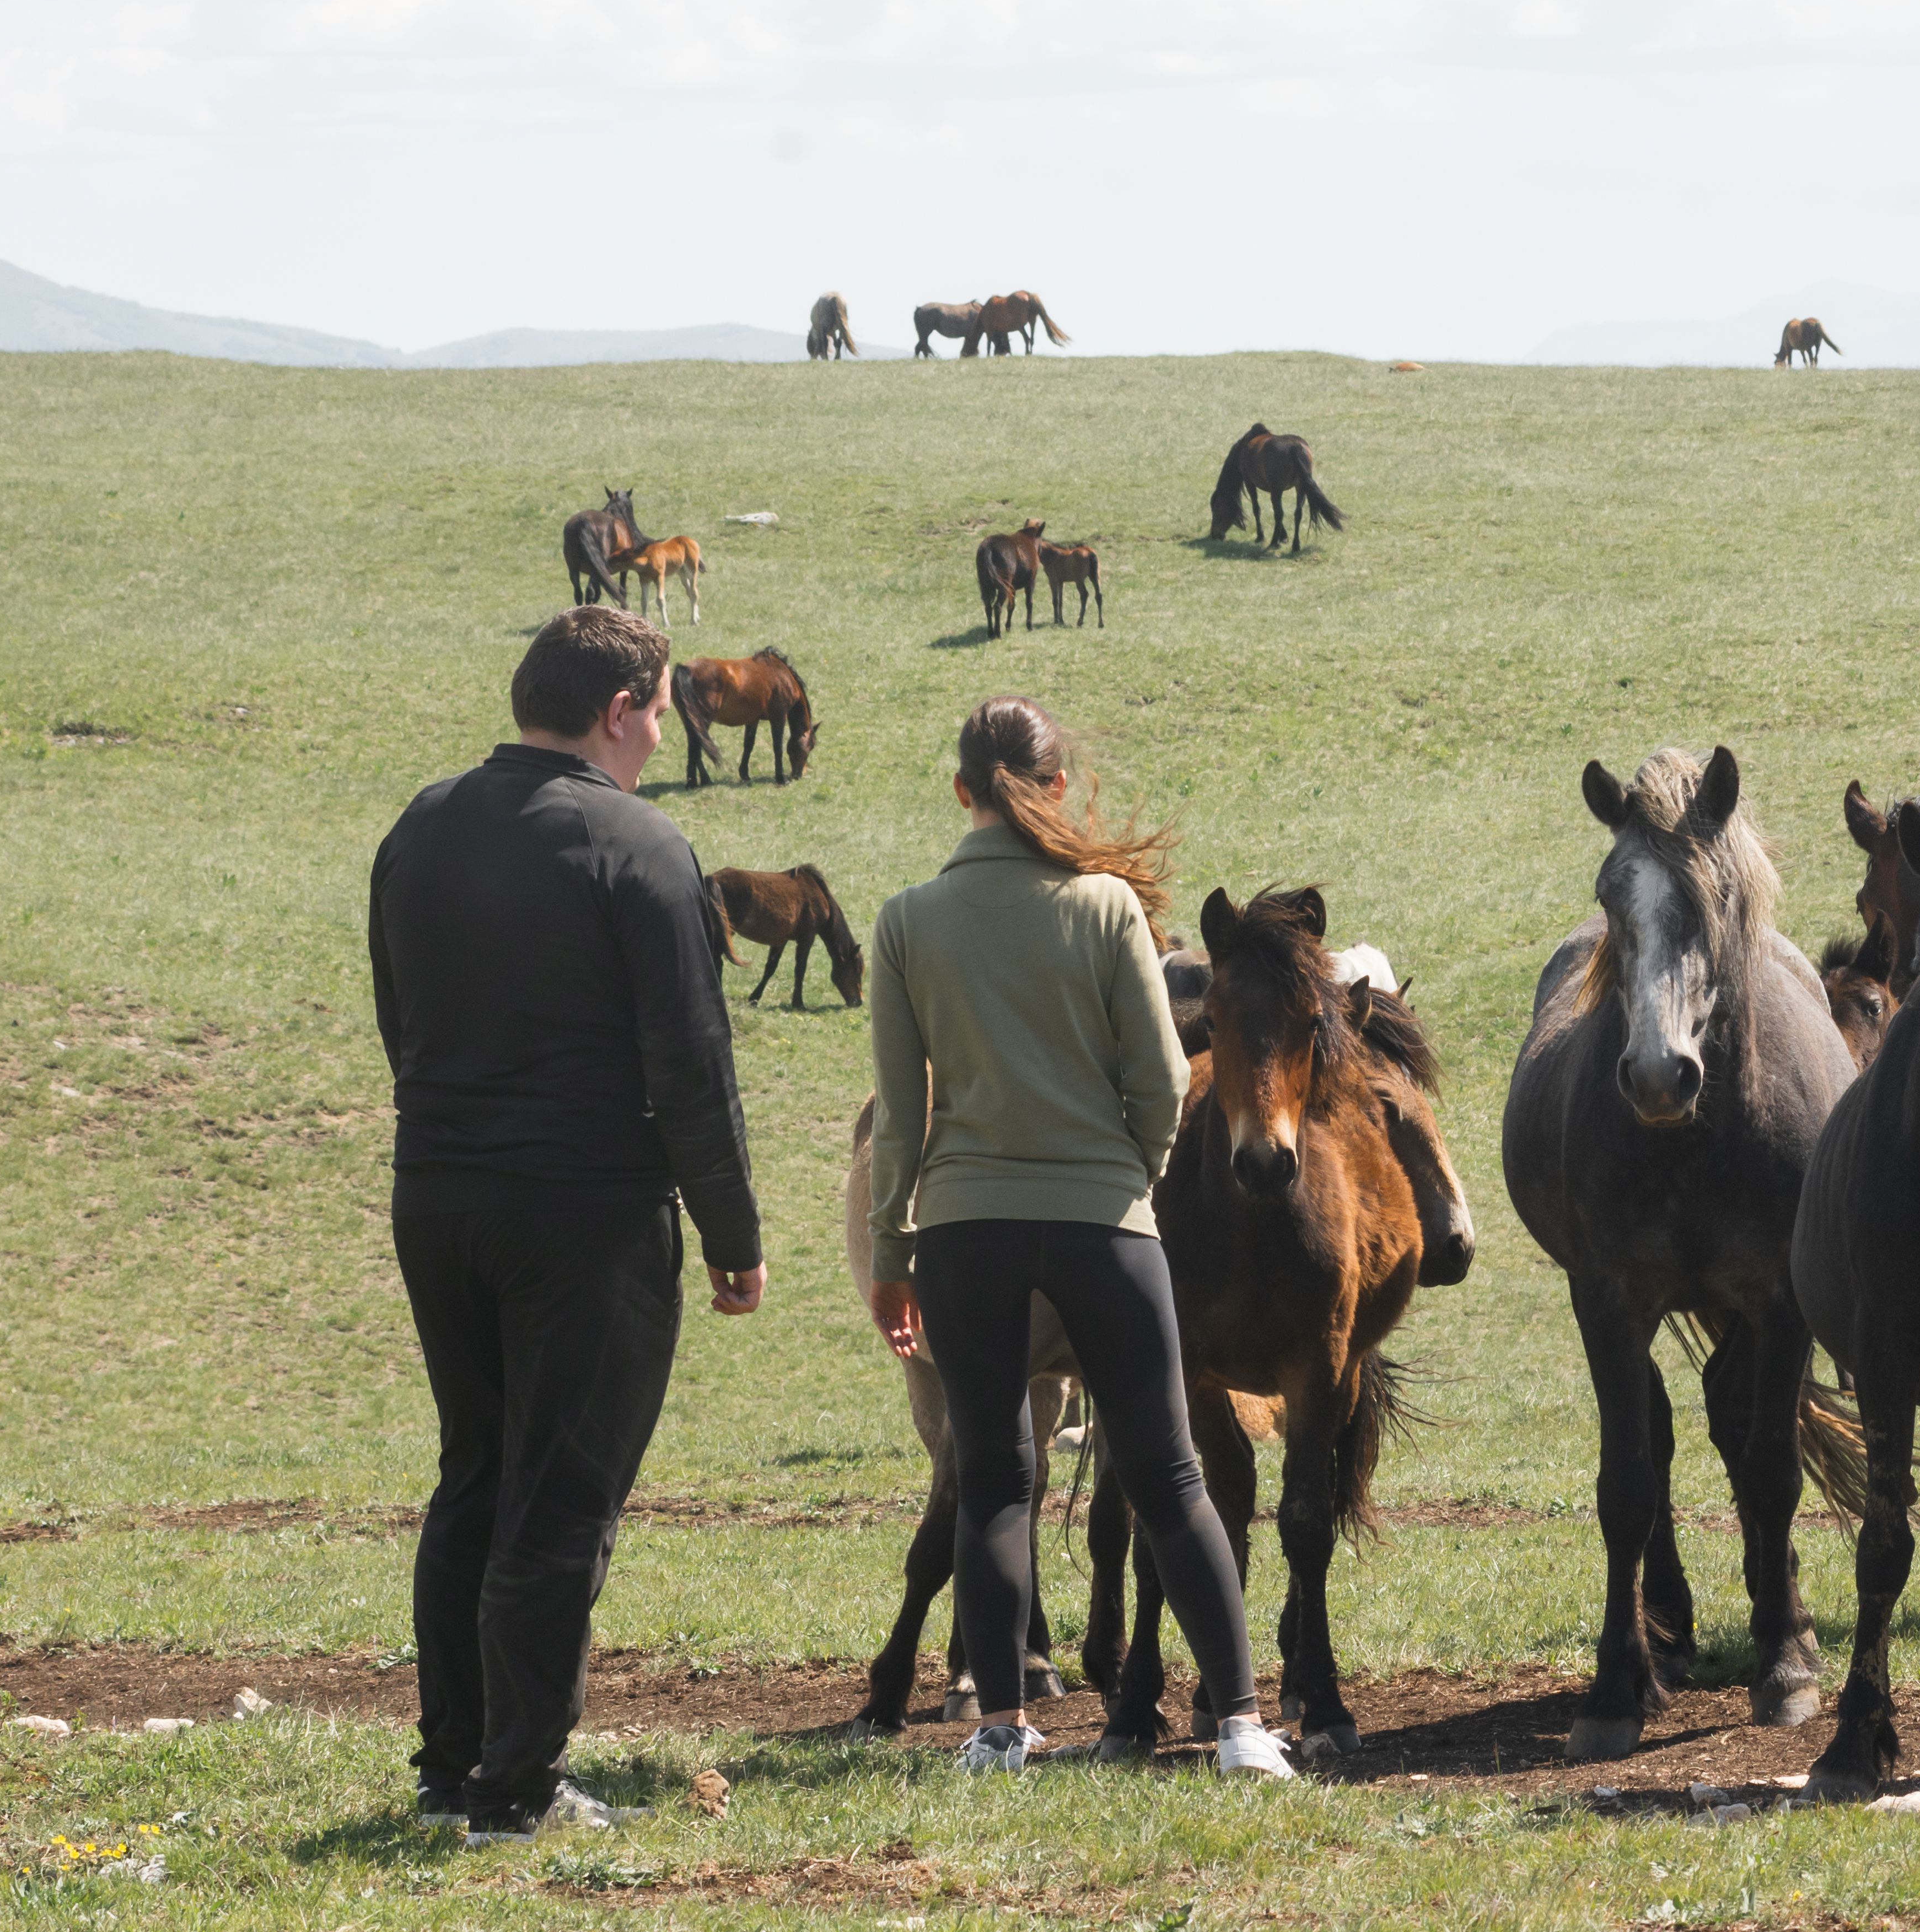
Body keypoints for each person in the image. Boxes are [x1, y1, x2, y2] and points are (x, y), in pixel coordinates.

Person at [369, 606, 767, 1845]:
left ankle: (453, 1766)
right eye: (659, 710)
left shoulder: (418, 828)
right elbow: (693, 1066)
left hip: (438, 1194)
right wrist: (732, 1230)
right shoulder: (639, 845)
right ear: (619, 710)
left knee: (476, 1473)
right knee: (562, 1496)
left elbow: (399, 1017)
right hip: (585, 1213)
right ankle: (518, 1787)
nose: (664, 731)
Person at [862, 697, 1292, 1778]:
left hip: (965, 1234)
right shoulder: (1109, 911)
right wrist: (1125, 1183)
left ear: (960, 791)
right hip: (1104, 1223)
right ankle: (1241, 1723)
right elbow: (1158, 1085)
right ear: (1055, 787)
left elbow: (902, 1120)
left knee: (997, 1478)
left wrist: (894, 1253)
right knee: (1171, 1474)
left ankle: (1000, 1727)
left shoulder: (906, 920)